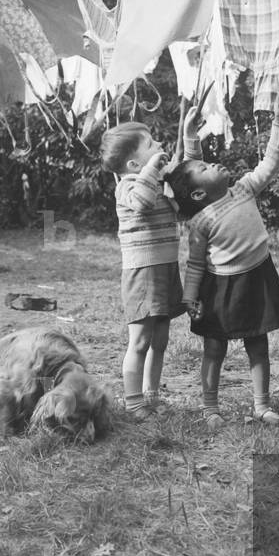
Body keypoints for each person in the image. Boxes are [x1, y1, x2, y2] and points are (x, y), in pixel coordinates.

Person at [164, 107, 279, 430]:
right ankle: (210, 409)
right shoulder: (201, 221)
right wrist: (190, 297)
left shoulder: (244, 189)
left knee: (259, 346)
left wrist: (278, 128)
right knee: (214, 349)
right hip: (220, 290)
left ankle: (261, 406)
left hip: (257, 280)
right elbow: (195, 264)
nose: (213, 163)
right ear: (198, 194)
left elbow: (270, 164)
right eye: (206, 167)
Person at [99, 108, 202, 420]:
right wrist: (152, 170)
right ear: (134, 165)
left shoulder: (155, 181)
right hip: (142, 273)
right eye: (150, 144)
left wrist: (190, 136)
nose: (158, 145)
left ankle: (151, 395)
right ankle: (133, 403)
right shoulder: (128, 187)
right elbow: (142, 204)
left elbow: (190, 175)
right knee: (141, 341)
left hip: (165, 269)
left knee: (160, 340)